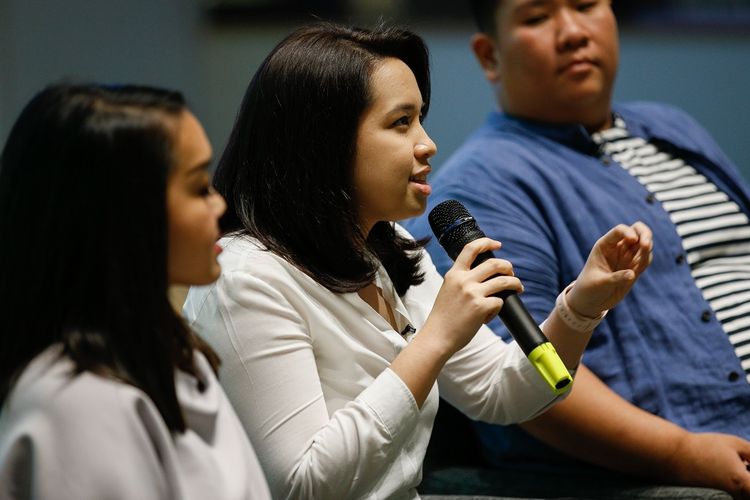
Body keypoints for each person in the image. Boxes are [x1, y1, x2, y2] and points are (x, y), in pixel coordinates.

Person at [182, 22, 653, 500]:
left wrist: (581, 307)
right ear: (325, 141)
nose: (427, 144)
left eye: (420, 119)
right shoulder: (248, 278)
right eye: (400, 123)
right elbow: (302, 485)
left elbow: (505, 393)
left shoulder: (386, 246)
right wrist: (435, 339)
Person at [404, 0, 750, 498]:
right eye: (537, 17)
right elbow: (522, 374)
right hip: (686, 457)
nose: (571, 32)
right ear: (489, 56)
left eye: (587, 5)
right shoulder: (486, 181)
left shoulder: (674, 129)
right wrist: (682, 452)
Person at [0, 83, 271, 499]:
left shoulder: (175, 351)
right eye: (199, 188)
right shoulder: (76, 403)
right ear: (126, 215)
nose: (219, 205)